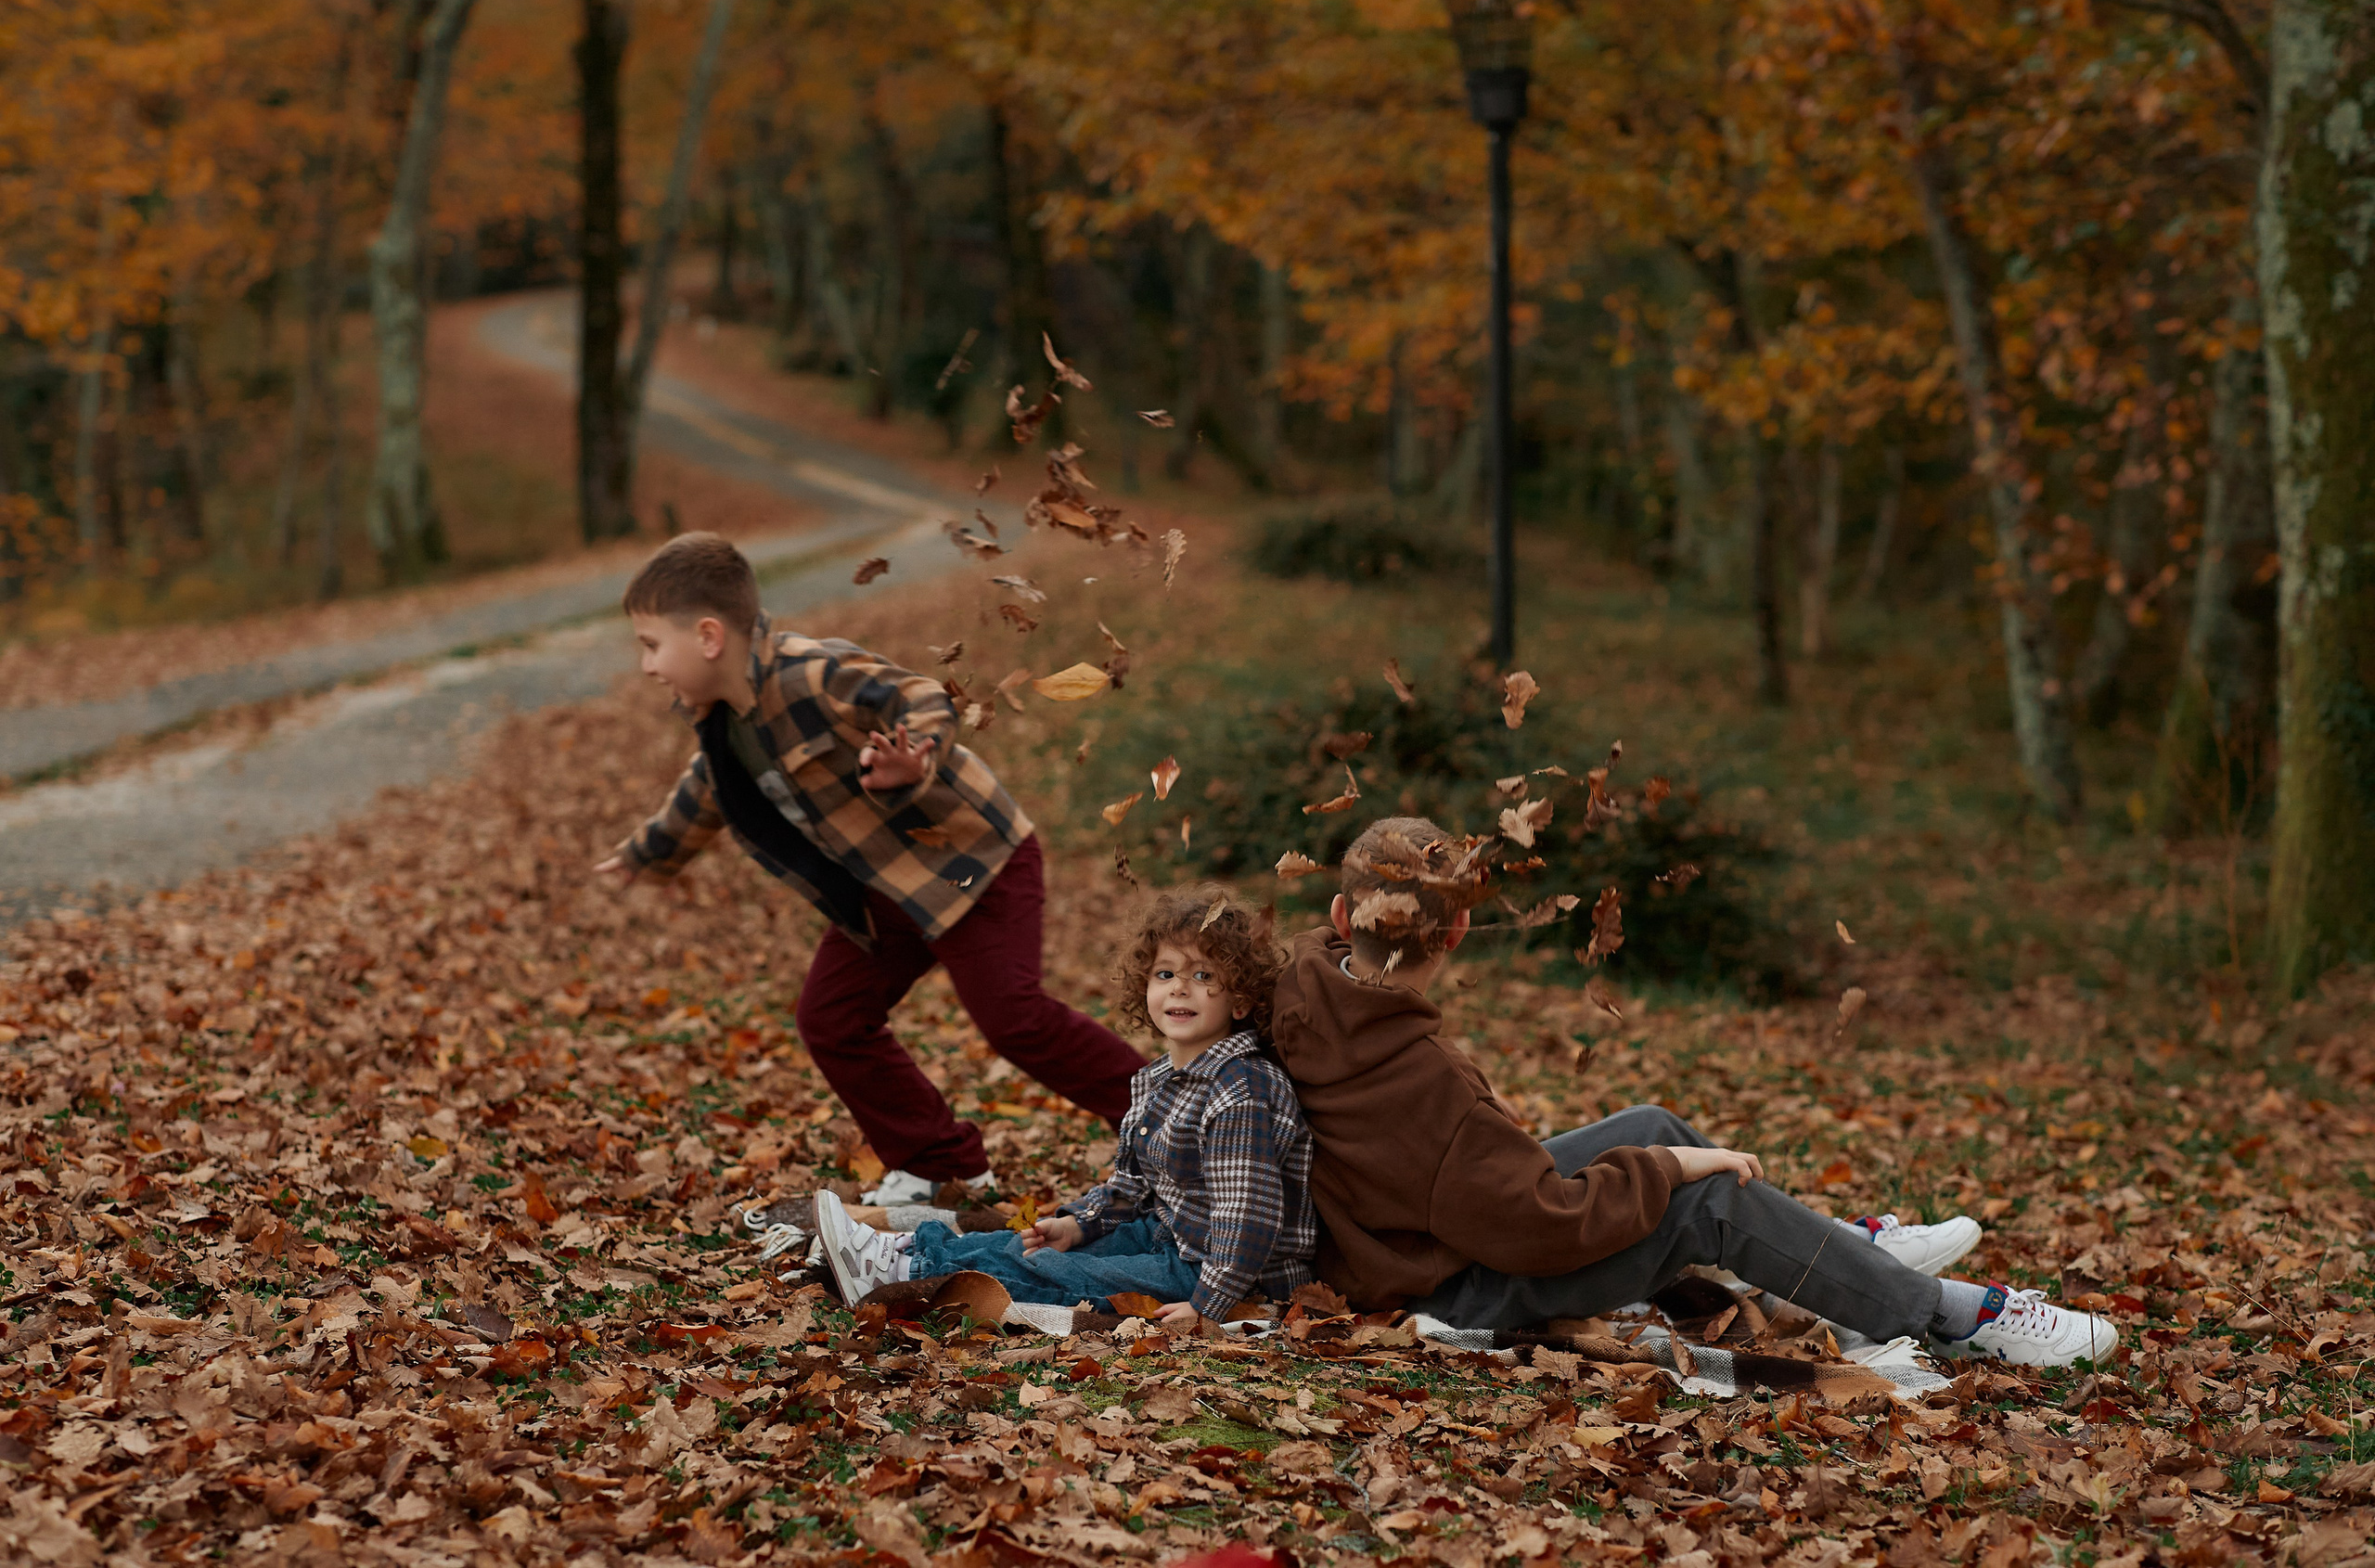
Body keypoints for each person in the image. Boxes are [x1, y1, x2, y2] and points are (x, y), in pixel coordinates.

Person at [1265, 816, 2119, 1369]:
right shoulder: (1427, 1079)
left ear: (1342, 918)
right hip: (1442, 1281)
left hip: (1401, 1231)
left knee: (1648, 1122)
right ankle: (1949, 1315)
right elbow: (1537, 1224)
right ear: (1455, 931)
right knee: (1706, 1193)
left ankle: (1828, 1263)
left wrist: (1653, 1148)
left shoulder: (1303, 989)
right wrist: (1664, 1169)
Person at [597, 533, 1146, 1207]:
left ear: (709, 636)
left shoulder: (809, 672)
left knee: (1015, 1019)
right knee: (831, 1017)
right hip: (889, 889)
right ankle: (942, 1164)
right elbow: (707, 793)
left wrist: (915, 755)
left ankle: (1174, 1124)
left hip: (972, 862)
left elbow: (916, 695)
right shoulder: (721, 722)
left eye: (652, 645)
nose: (648, 665)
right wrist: (646, 854)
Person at [813, 888, 1317, 1330]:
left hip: (1227, 1273)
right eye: (1166, 973)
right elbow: (1131, 1187)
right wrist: (1078, 1223)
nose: (1180, 988)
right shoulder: (1158, 1079)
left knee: (1057, 1273)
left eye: (1203, 975)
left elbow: (1248, 1217)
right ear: (1146, 986)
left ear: (1241, 1000)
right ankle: (907, 1254)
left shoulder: (1243, 1090)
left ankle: (910, 1278)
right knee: (1036, 1247)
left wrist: (1209, 1304)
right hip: (1168, 1236)